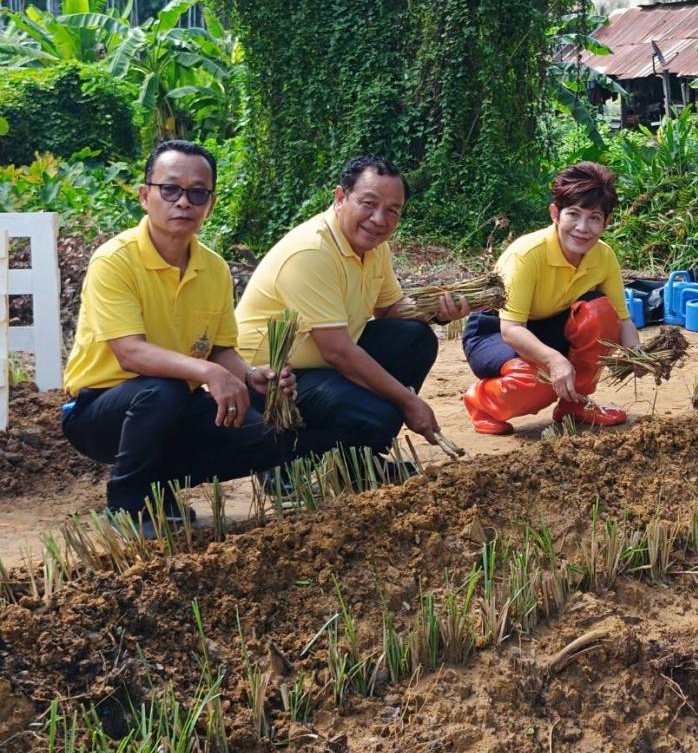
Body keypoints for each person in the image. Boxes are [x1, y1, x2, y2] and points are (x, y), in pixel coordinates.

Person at [61, 140, 290, 527]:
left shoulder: (213, 269)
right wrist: (207, 374)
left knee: (267, 437)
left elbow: (219, 350)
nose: (183, 202)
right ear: (145, 195)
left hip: (173, 404)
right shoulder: (115, 261)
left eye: (197, 193)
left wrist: (250, 375)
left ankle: (156, 485)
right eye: (170, 189)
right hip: (100, 411)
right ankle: (127, 507)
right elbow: (130, 353)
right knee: (160, 391)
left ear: (210, 204)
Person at [236, 155, 463, 477]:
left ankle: (354, 464)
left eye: (392, 211)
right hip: (272, 380)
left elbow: (389, 310)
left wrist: (438, 311)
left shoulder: (373, 246)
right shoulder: (312, 251)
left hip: (322, 366)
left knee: (415, 339)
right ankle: (282, 464)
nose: (379, 219)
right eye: (368, 203)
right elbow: (338, 351)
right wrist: (409, 403)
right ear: (340, 197)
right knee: (378, 414)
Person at [461, 162, 640, 435]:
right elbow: (511, 329)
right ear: (555, 213)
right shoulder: (526, 255)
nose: (582, 228)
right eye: (573, 214)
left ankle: (575, 403)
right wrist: (555, 360)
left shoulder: (603, 256)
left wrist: (637, 355)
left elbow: (623, 321)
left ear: (607, 222)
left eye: (594, 217)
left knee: (601, 313)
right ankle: (481, 402)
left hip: (548, 328)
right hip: (496, 331)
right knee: (539, 382)